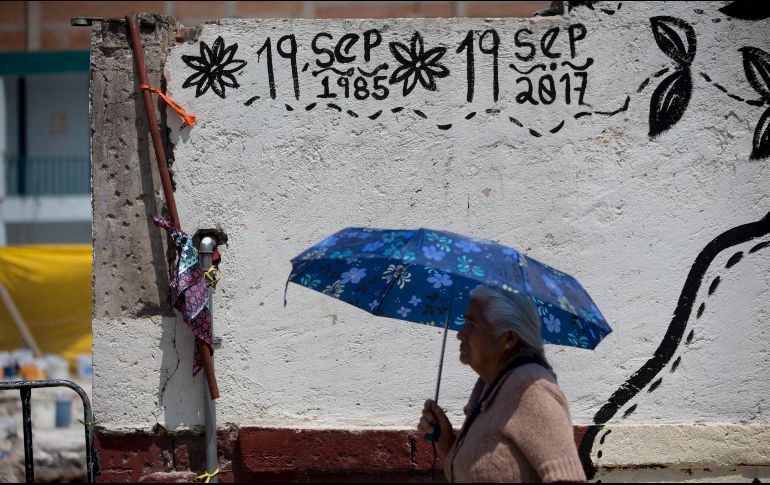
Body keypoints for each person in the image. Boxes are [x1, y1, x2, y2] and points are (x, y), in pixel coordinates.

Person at [417, 287, 586, 483]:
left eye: (472, 324)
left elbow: (567, 479)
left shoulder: (530, 388)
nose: (460, 334)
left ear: (509, 338)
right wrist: (447, 443)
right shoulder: (489, 388)